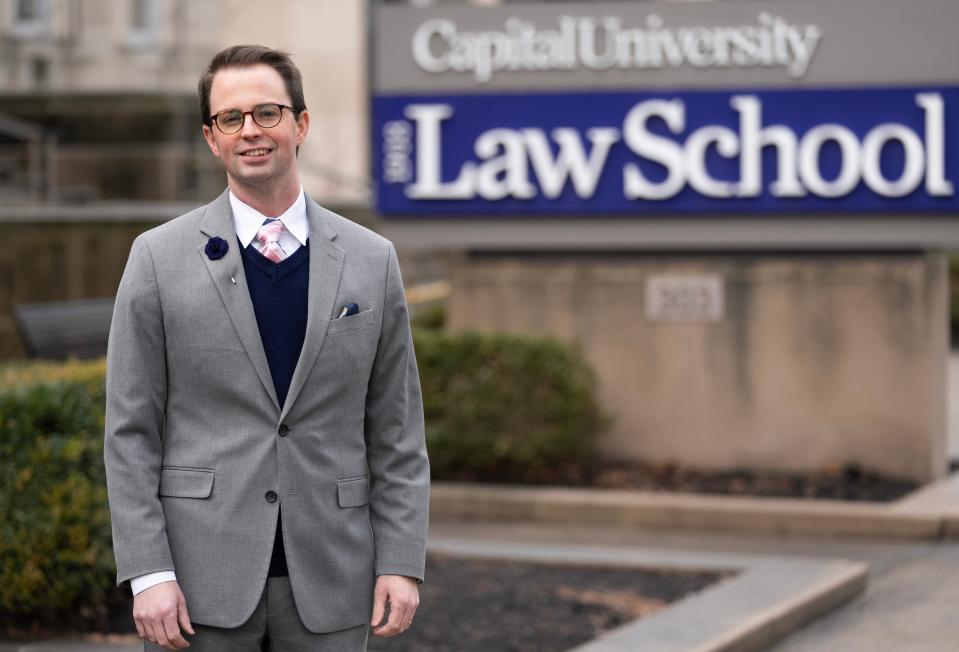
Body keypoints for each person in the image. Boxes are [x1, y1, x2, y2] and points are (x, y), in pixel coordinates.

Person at [103, 44, 429, 651]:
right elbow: (130, 432)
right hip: (197, 588)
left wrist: (402, 560)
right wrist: (148, 572)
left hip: (335, 578)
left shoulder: (370, 259)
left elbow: (398, 431)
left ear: (300, 124)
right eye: (232, 118)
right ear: (211, 137)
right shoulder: (156, 258)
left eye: (268, 113)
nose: (251, 131)